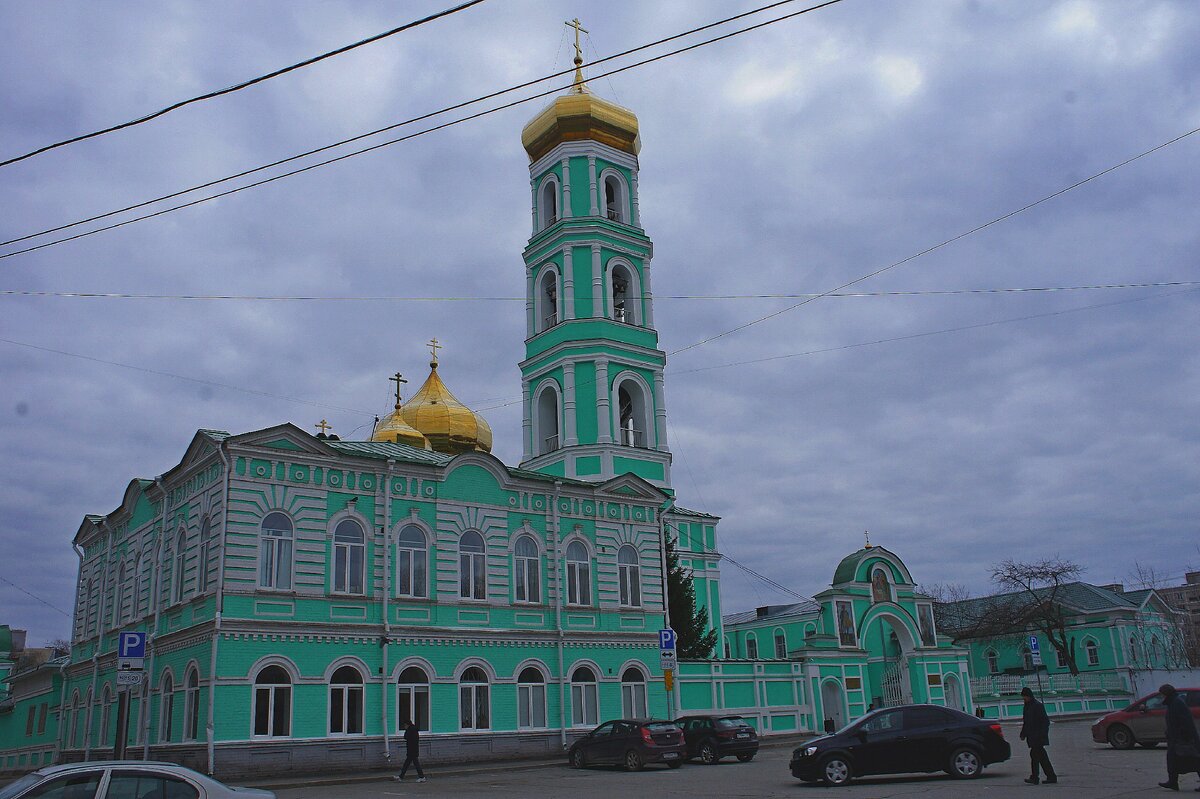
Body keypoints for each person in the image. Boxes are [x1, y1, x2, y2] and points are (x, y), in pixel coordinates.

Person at [1158, 684, 1199, 792]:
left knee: (1194, 760)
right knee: (1174, 760)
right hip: (1177, 738)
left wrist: (1185, 736)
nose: (1161, 697)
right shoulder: (1173, 702)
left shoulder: (1177, 703)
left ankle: (1172, 782)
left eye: (1162, 694)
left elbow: (1185, 721)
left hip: (1182, 738)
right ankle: (1172, 782)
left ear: (1166, 694)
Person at [1019, 686, 1057, 785]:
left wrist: (1041, 735)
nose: (1024, 699)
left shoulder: (1037, 706)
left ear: (1029, 696)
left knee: (1035, 756)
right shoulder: (1027, 706)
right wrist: (1023, 733)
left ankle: (1035, 777)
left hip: (1038, 737)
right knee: (1042, 757)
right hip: (1032, 737)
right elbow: (1026, 722)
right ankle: (1051, 776)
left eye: (1025, 697)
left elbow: (1045, 722)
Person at [393, 719, 427, 783]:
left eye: (405, 725)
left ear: (407, 725)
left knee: (415, 764)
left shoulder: (410, 730)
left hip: (412, 750)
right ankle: (401, 777)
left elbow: (406, 737)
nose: (404, 727)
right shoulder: (414, 730)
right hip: (413, 750)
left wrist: (406, 731)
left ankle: (422, 777)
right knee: (407, 764)